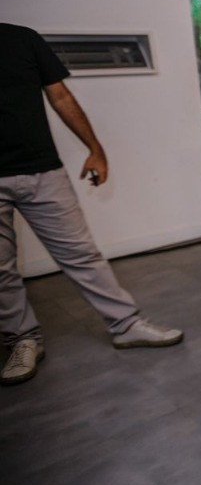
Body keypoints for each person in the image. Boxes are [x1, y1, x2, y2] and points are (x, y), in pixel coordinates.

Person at [1, 24, 183, 387]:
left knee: (82, 254)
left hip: (42, 169)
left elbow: (61, 97)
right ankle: (22, 340)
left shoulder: (22, 39)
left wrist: (95, 149)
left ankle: (126, 325)